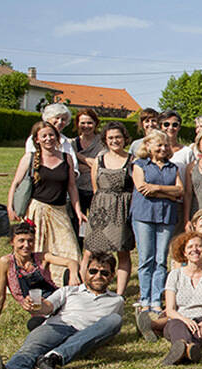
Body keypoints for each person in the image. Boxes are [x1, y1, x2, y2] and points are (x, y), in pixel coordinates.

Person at [0, 252, 124, 369]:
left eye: (104, 273)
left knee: (115, 320)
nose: (98, 276)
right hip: (57, 327)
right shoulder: (69, 291)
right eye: (93, 271)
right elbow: (48, 306)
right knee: (30, 350)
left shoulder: (116, 301)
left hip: (85, 335)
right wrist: (36, 305)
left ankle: (53, 357)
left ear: (112, 276)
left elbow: (107, 331)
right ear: (86, 272)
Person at [7, 121, 84, 282]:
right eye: (44, 136)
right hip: (37, 210)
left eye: (51, 135)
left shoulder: (66, 158)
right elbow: (15, 183)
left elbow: (72, 187)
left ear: (57, 138)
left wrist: (78, 210)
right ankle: (28, 280)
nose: (48, 139)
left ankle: (65, 281)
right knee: (35, 249)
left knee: (70, 249)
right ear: (37, 139)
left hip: (60, 210)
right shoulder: (30, 158)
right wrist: (10, 207)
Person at [0, 223, 81, 330]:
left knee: (72, 274)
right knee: (34, 325)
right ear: (12, 242)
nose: (27, 245)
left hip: (56, 301)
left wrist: (73, 275)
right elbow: (0, 295)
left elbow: (71, 262)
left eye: (30, 241)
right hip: (40, 311)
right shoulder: (6, 262)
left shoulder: (41, 257)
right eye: (21, 241)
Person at [150, 232, 202, 365]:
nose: (195, 250)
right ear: (184, 253)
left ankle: (181, 350)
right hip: (180, 320)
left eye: (199, 246)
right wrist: (186, 320)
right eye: (190, 247)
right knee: (176, 326)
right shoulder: (175, 275)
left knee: (200, 332)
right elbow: (170, 310)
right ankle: (189, 348)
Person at [130, 129, 184, 312]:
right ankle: (145, 298)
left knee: (161, 259)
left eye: (165, 145)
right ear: (148, 146)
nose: (163, 148)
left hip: (166, 217)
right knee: (146, 258)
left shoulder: (172, 167)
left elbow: (180, 191)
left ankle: (156, 299)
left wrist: (157, 188)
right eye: (159, 145)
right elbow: (142, 188)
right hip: (144, 215)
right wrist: (169, 194)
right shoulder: (139, 165)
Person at [83, 121, 135, 295]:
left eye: (118, 137)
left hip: (122, 210)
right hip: (100, 210)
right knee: (91, 251)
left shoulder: (132, 160)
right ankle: (88, 287)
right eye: (111, 137)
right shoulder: (99, 159)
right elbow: (95, 187)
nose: (115, 141)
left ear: (124, 138)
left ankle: (119, 293)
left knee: (122, 253)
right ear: (105, 139)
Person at [70, 108, 104, 238]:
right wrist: (91, 164)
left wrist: (78, 157)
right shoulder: (72, 143)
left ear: (95, 123)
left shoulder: (102, 142)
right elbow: (71, 166)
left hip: (96, 189)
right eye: (82, 123)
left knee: (97, 227)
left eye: (89, 123)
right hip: (77, 189)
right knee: (78, 226)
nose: (86, 126)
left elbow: (101, 164)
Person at [23, 103, 78, 172]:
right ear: (48, 119)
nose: (60, 122)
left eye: (63, 119)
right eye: (57, 118)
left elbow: (74, 166)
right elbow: (31, 162)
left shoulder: (66, 141)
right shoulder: (35, 139)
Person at [160, 111, 195, 185]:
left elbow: (192, 178)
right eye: (166, 124)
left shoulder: (187, 152)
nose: (170, 128)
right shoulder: (154, 151)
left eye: (175, 125)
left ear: (179, 127)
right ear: (161, 126)